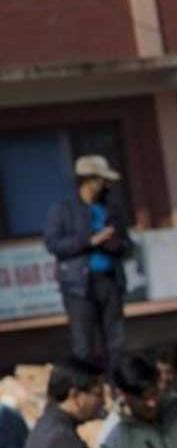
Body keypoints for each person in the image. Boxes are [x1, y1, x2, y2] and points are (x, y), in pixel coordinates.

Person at [41, 154, 132, 371]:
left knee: (115, 342)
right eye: (101, 180)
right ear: (88, 180)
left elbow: (127, 244)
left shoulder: (112, 209)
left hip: (110, 282)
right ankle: (86, 390)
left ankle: (117, 390)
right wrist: (90, 241)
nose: (105, 185)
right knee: (84, 345)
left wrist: (116, 245)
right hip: (78, 286)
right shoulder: (63, 210)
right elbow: (53, 244)